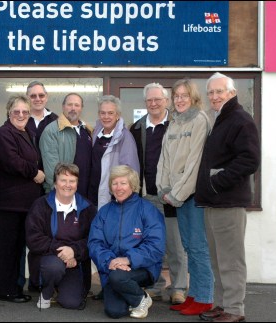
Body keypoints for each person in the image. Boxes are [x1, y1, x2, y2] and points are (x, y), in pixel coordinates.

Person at [195, 73, 260, 323]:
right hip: (214, 202)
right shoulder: (220, 119)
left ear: (231, 93)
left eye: (219, 91)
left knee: (231, 260)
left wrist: (215, 182)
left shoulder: (240, 120)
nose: (214, 96)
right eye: (210, 92)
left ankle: (234, 309)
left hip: (228, 202)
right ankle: (223, 304)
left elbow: (250, 160)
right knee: (217, 259)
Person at [156, 79, 214, 315]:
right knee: (188, 246)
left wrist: (177, 193)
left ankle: (205, 298)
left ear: (193, 98)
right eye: (176, 96)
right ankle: (193, 294)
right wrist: (163, 188)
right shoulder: (173, 123)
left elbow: (195, 163)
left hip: (192, 196)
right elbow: (164, 159)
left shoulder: (200, 120)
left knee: (199, 248)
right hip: (175, 196)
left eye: (184, 95)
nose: (180, 100)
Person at [130, 82, 188, 305]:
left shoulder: (179, 125)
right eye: (149, 100)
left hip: (172, 196)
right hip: (147, 197)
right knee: (150, 245)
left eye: (158, 99)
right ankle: (154, 285)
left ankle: (179, 287)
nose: (153, 104)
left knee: (175, 245)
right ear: (145, 103)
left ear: (166, 101)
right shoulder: (136, 128)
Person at [0, 94, 45, 303]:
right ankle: (8, 291)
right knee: (10, 247)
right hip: (9, 203)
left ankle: (15, 288)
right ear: (8, 113)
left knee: (18, 246)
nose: (21, 115)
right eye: (16, 111)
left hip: (22, 203)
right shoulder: (4, 134)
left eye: (25, 112)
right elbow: (12, 162)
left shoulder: (26, 132)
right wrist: (34, 172)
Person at [88, 165, 166, 319]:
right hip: (111, 268)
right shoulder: (104, 212)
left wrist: (128, 259)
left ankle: (140, 299)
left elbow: (156, 246)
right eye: (115, 183)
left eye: (123, 183)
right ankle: (135, 294)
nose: (119, 188)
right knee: (115, 311)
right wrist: (111, 261)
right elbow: (95, 243)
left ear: (132, 185)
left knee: (118, 277)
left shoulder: (148, 209)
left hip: (142, 268)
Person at [26, 163, 97, 310]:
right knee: (54, 267)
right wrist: (63, 251)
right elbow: (33, 238)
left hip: (75, 263)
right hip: (48, 260)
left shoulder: (88, 208)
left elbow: (94, 240)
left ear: (77, 184)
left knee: (72, 303)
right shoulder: (40, 205)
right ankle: (46, 292)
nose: (67, 185)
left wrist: (74, 252)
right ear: (55, 182)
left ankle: (62, 288)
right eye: (63, 180)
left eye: (72, 181)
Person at [20, 81, 59, 294]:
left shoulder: (55, 121)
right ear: (27, 98)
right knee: (30, 237)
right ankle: (34, 282)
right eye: (33, 95)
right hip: (24, 189)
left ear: (47, 96)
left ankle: (50, 281)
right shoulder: (20, 119)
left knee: (49, 235)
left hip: (49, 190)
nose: (37, 99)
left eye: (40, 95)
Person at [88, 95, 140, 209]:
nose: (106, 116)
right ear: (98, 114)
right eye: (102, 113)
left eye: (110, 113)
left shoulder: (125, 137)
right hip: (93, 194)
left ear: (118, 115)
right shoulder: (95, 133)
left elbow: (131, 171)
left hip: (113, 197)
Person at [40, 92, 93, 197]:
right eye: (69, 104)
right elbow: (51, 171)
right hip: (63, 194)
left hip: (85, 193)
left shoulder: (87, 130)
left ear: (81, 108)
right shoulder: (52, 130)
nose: (73, 108)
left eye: (77, 105)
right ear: (63, 106)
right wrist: (62, 193)